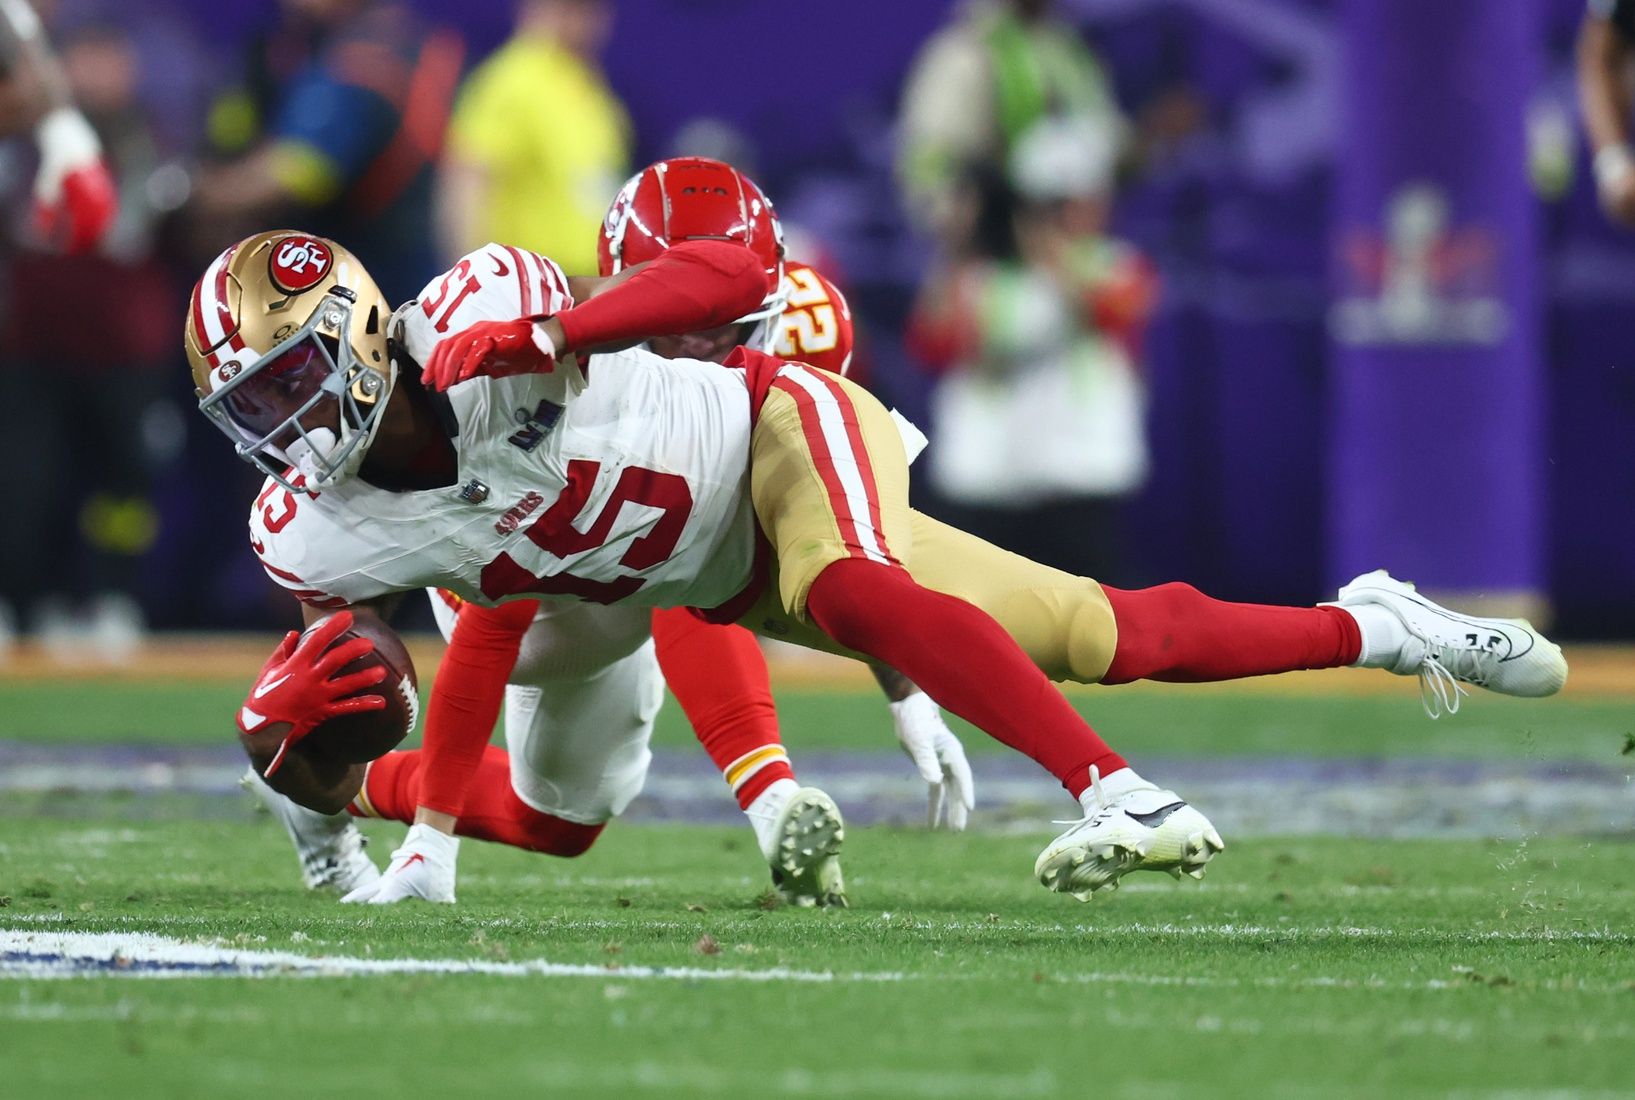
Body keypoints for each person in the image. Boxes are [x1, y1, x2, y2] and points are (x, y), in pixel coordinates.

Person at [188, 228, 1567, 902]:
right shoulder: (314, 521)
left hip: (777, 439)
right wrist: (326, 788)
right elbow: (347, 668)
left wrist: (579, 325)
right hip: (688, 581)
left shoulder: (486, 309)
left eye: (300, 377)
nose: (292, 425)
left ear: (366, 330)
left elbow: (732, 274)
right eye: (257, 406)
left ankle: (1118, 790)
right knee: (1104, 634)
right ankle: (1380, 629)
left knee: (853, 591)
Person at [321, 159, 973, 908]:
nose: (698, 346)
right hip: (507, 590)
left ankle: (339, 783)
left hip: (627, 580)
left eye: (717, 322)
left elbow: (833, 535)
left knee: (560, 822)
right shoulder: (561, 365)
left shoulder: (803, 331)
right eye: (675, 321)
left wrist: (905, 688)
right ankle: (771, 804)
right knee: (680, 548)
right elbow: (500, 602)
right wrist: (430, 839)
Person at [909, 116, 1156, 580]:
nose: (1061, 217)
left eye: (1070, 203)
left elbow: (1112, 311)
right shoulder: (980, 276)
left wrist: (1050, 250)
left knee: (1091, 629)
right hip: (989, 481)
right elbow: (931, 344)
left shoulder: (1113, 264)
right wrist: (957, 240)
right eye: (1043, 205)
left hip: (1079, 477)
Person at [189, 0, 462, 302]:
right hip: (436, 278)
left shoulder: (356, 64)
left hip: (367, 285)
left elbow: (299, 171)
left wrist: (195, 192)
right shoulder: (427, 43)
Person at [436, 0, 628, 272]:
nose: (580, 20)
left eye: (589, 9)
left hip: (586, 285)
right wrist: (470, 282)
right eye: (567, 8)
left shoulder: (587, 86)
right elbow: (467, 183)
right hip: (532, 288)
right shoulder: (512, 81)